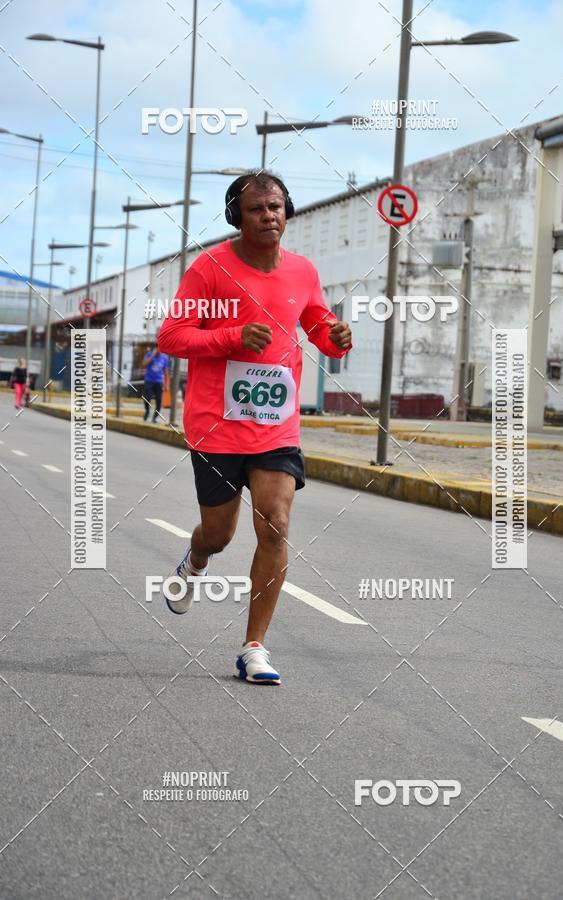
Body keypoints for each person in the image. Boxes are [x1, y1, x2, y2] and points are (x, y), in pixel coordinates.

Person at [158, 171, 352, 685]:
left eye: (277, 207)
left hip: (275, 425)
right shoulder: (210, 269)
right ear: (236, 217)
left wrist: (336, 337)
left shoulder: (303, 272)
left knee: (276, 523)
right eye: (257, 209)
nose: (269, 216)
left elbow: (317, 329)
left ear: (288, 212)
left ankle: (253, 647)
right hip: (217, 426)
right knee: (220, 535)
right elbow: (172, 336)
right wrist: (233, 336)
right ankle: (196, 559)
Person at [142, 342, 170, 423]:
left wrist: (166, 384)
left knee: (159, 400)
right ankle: (147, 411)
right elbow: (144, 364)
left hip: (159, 381)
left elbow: (166, 372)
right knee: (147, 398)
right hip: (149, 380)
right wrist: (153, 355)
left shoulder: (165, 358)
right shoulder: (149, 354)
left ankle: (154, 417)